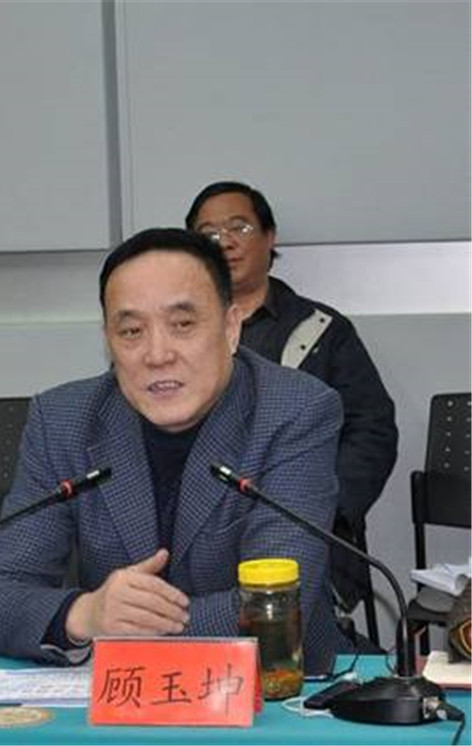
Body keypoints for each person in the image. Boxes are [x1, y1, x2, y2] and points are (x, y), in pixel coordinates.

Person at [0, 227, 350, 673]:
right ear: (109, 340)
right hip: (122, 694)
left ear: (230, 328)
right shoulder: (63, 421)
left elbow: (275, 605)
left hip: (279, 686)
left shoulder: (294, 410)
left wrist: (128, 628)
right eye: (131, 331)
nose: (157, 354)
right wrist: (87, 614)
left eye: (182, 325)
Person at [185, 182, 398, 616]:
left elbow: (371, 429)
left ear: (270, 237)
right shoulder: (174, 336)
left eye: (239, 227)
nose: (225, 242)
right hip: (196, 532)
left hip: (306, 526)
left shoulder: (322, 331)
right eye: (208, 233)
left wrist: (321, 503)